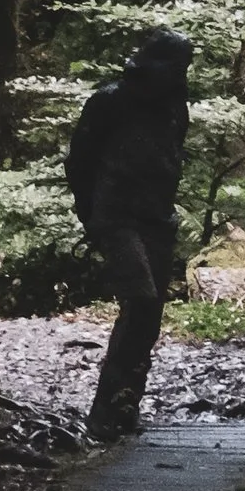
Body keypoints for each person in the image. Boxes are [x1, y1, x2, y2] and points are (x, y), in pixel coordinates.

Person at [65, 28, 193, 442]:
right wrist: (93, 216)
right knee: (140, 297)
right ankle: (103, 414)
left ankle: (123, 407)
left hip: (158, 219)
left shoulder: (175, 106)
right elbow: (80, 161)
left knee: (148, 317)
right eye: (176, 64)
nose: (181, 72)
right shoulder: (110, 101)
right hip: (117, 216)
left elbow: (172, 156)